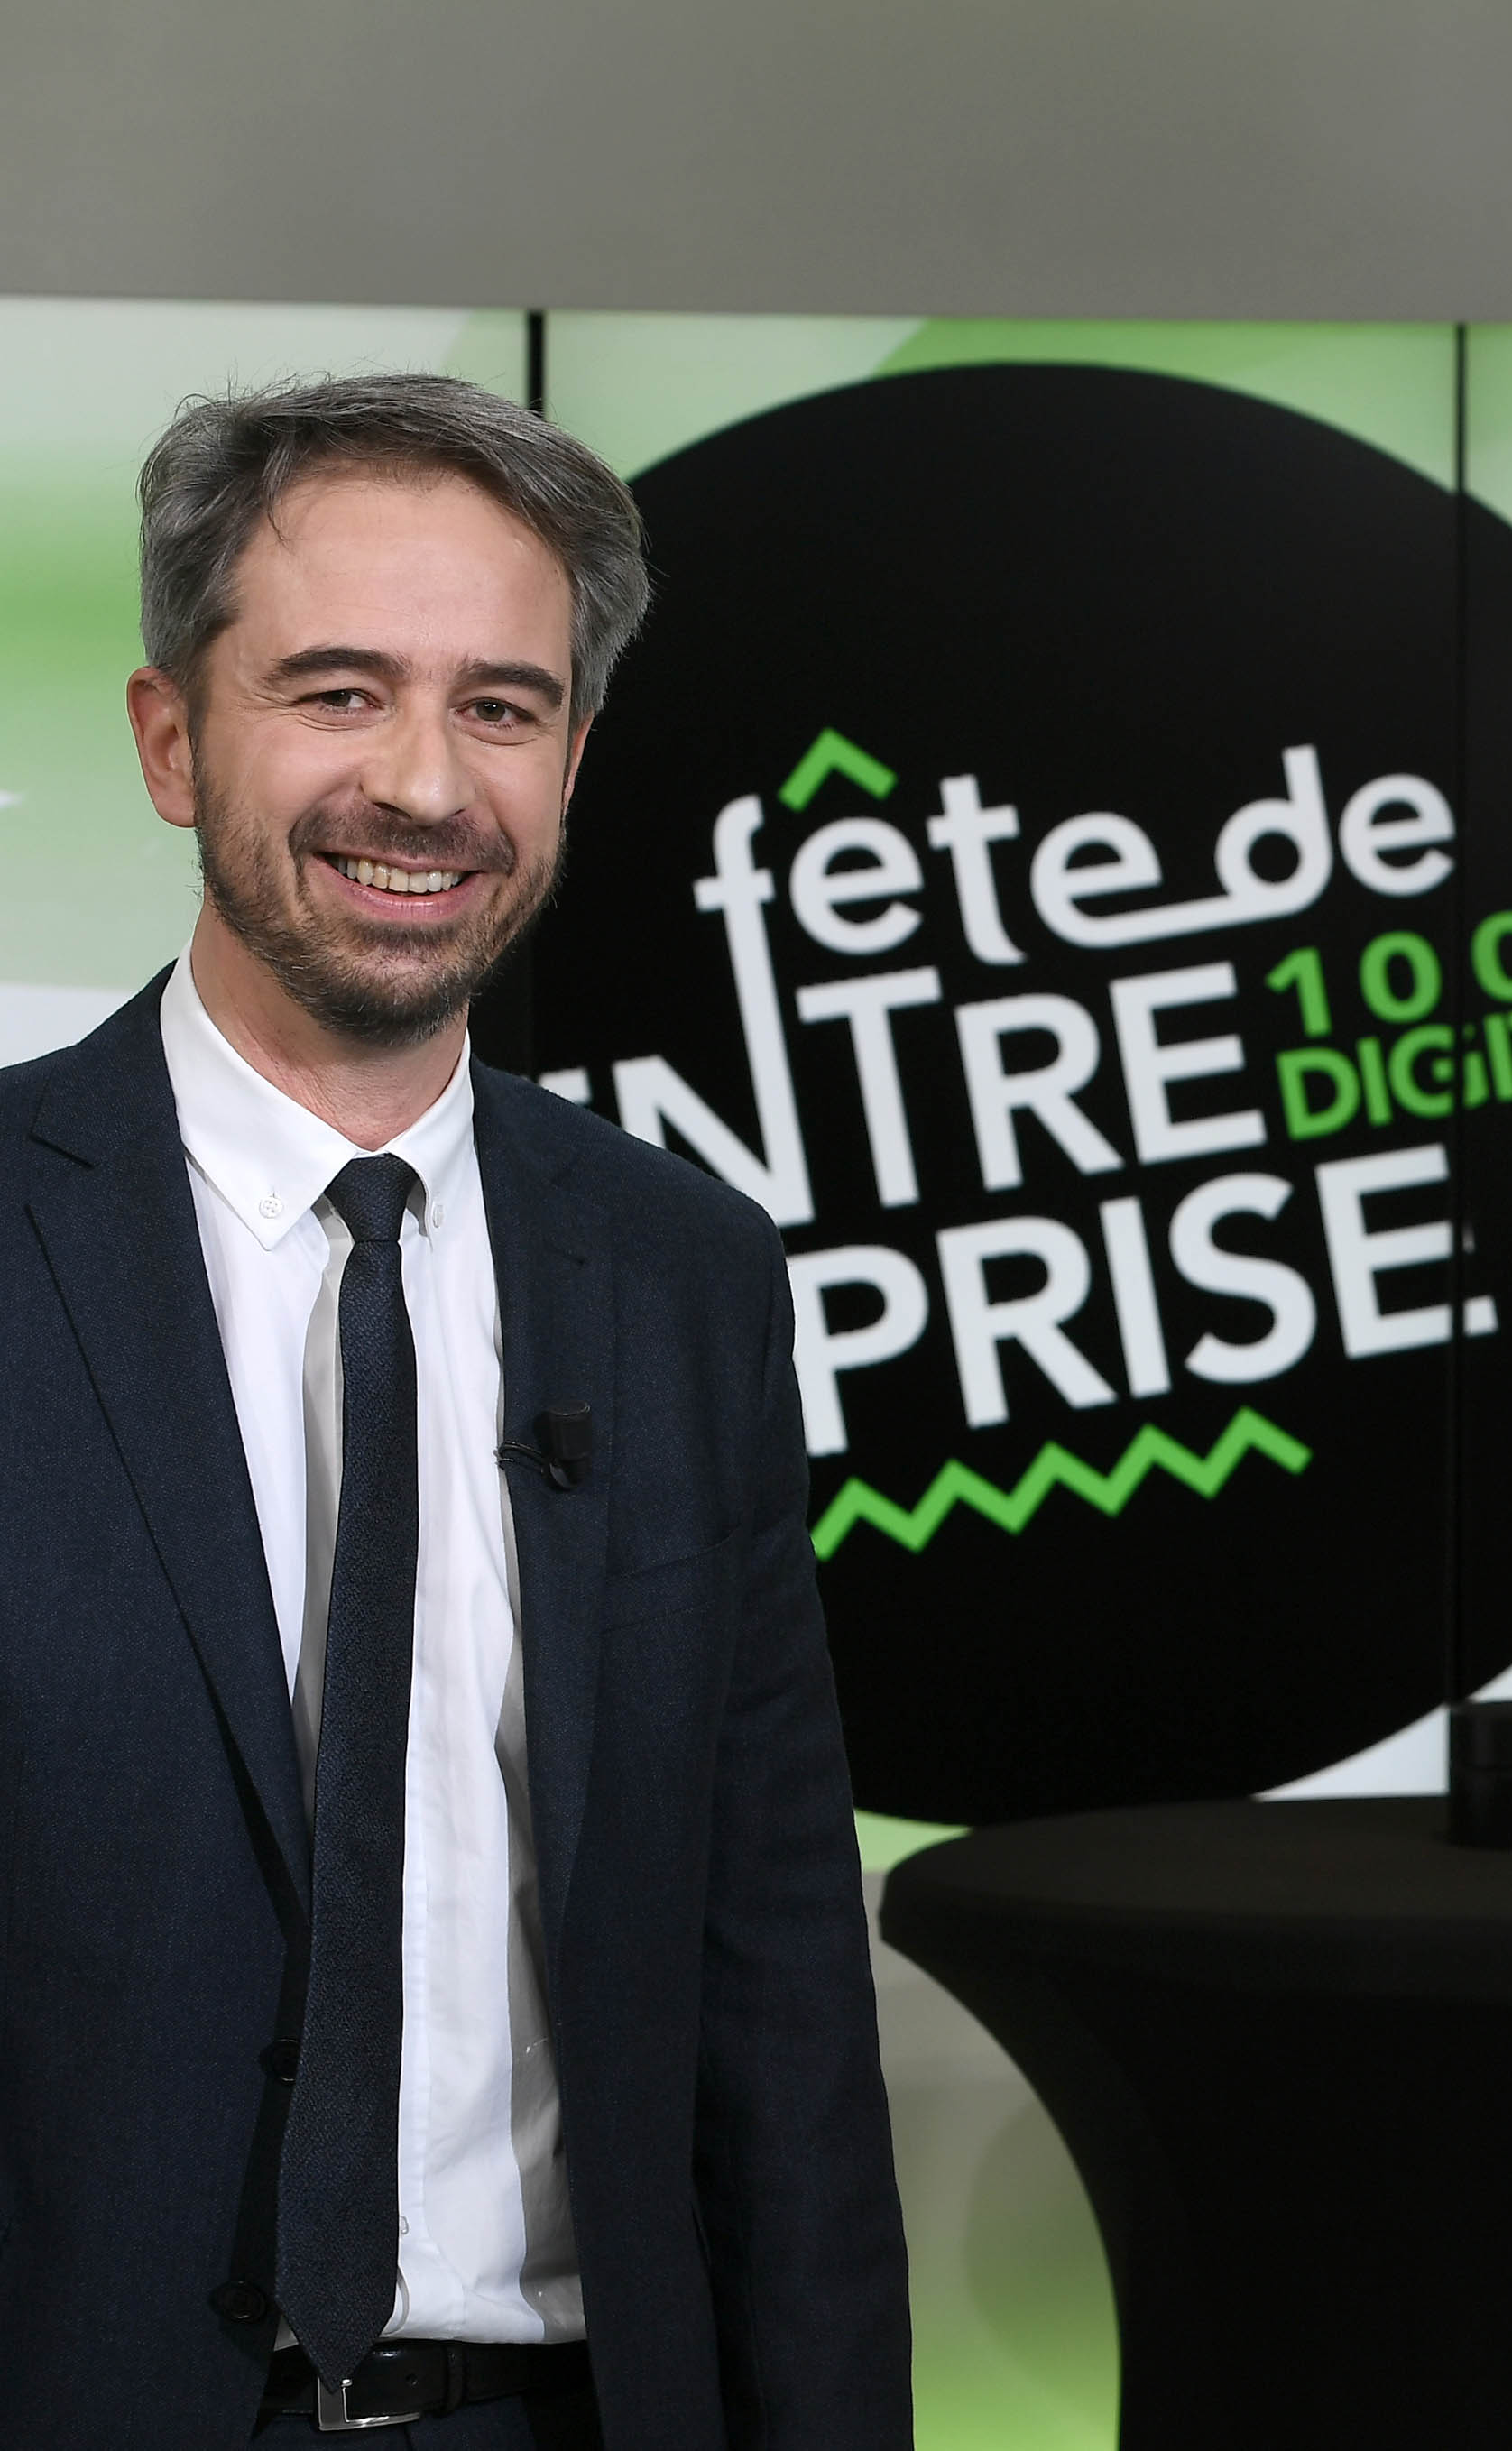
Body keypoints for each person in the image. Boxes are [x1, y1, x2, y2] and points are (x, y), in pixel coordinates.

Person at [0, 374, 909, 2446]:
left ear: (570, 763)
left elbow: (775, 1999)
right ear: (170, 737)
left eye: (499, 707)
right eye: (337, 692)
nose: (423, 782)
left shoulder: (684, 1276)